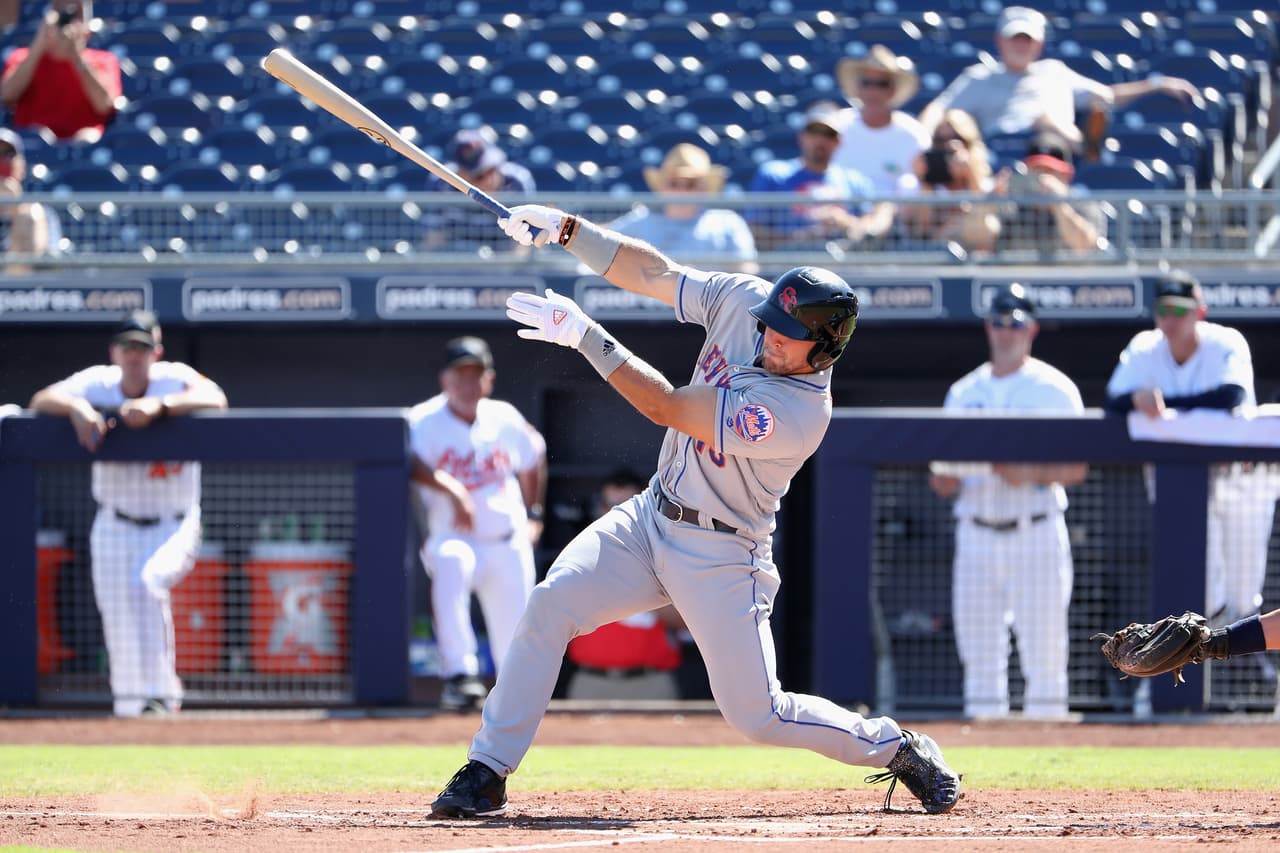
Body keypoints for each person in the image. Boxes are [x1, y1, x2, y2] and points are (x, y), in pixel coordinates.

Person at [429, 203, 961, 818]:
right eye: (768, 325)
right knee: (549, 605)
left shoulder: (796, 413)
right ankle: (488, 768)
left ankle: (896, 747)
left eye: (787, 338)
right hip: (652, 514)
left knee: (758, 716)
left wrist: (585, 337)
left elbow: (666, 407)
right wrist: (570, 231)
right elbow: (656, 274)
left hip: (722, 551)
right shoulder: (753, 304)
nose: (767, 336)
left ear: (823, 351)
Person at [28, 310, 227, 717]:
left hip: (173, 522)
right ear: (115, 351)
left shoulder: (174, 377)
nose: (134, 355)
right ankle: (130, 716)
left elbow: (217, 398)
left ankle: (162, 698)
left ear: (156, 351)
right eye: (127, 346)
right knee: (118, 622)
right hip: (114, 522)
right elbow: (40, 399)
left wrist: (162, 406)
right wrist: (76, 408)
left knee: (147, 584)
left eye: (142, 347)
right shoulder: (97, 381)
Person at [928, 284, 1087, 719]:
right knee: (979, 655)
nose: (1006, 331)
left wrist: (1028, 473)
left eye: (1015, 323)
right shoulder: (964, 391)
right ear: (988, 327)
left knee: (1045, 651)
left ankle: (1053, 774)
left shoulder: (1055, 389)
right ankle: (986, 767)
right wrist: (949, 477)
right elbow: (940, 477)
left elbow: (1078, 468)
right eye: (999, 322)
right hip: (976, 530)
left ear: (1031, 328)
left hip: (1034, 528)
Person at [1103, 271, 1271, 631]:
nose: (1172, 319)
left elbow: (1231, 396)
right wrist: (1135, 399)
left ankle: (1245, 669)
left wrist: (1167, 407)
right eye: (1165, 309)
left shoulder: (1226, 341)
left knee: (1243, 594)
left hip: (1240, 476)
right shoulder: (1145, 347)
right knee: (1201, 590)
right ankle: (1196, 669)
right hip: (1182, 478)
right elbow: (1112, 400)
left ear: (1200, 312)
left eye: (1181, 310)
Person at [408, 336, 547, 711]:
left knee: (515, 634)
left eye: (475, 375)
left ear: (489, 379)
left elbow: (535, 457)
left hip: (506, 539)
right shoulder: (424, 419)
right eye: (460, 375)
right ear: (445, 380)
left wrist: (534, 512)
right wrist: (451, 487)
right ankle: (460, 676)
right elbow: (408, 462)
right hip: (454, 537)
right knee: (451, 561)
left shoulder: (504, 417)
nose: (467, 384)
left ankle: (514, 696)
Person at [918, 6, 1199, 149]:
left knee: (1049, 122)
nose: (1021, 45)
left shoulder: (1054, 72)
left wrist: (1157, 84)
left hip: (1053, 153)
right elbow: (940, 108)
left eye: (1027, 39)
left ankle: (1085, 146)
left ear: (1038, 45)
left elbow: (1107, 96)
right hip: (997, 153)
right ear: (999, 41)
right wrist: (919, 139)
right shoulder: (978, 76)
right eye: (1014, 38)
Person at [565, 468, 685, 701]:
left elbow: (689, 620)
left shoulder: (667, 555)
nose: (618, 513)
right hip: (589, 682)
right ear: (600, 507)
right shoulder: (580, 553)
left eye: (627, 505)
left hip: (650, 683)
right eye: (611, 504)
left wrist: (640, 590)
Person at [745, 102, 890, 253]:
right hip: (787, 267)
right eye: (814, 132)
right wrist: (801, 237)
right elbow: (754, 230)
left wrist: (842, 221)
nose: (820, 140)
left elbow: (870, 227)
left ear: (838, 142)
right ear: (802, 137)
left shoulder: (855, 181)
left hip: (843, 268)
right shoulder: (774, 174)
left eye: (828, 134)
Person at [609, 143, 757, 274]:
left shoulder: (728, 222)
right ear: (663, 187)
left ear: (703, 188)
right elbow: (601, 242)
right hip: (647, 303)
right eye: (674, 183)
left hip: (712, 304)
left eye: (690, 184)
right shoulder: (639, 221)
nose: (682, 191)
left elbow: (747, 271)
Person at [1, 1, 122, 142]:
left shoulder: (105, 60)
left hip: (82, 147)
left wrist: (76, 57)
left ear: (87, 29)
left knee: (87, 138)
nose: (67, 22)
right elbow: (7, 95)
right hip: (33, 143)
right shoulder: (22, 56)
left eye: (75, 15)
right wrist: (40, 43)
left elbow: (105, 105)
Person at [832, 44, 930, 202]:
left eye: (882, 84)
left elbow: (919, 184)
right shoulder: (836, 126)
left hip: (897, 221)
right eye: (867, 83)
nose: (873, 91)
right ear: (858, 88)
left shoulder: (914, 134)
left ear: (893, 91)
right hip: (840, 214)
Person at [901, 110, 1001, 253]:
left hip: (974, 252)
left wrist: (969, 174)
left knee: (987, 222)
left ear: (969, 143)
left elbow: (982, 219)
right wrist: (926, 180)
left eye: (956, 138)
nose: (949, 146)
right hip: (935, 251)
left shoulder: (984, 183)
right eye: (941, 140)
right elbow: (922, 230)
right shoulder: (917, 183)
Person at [422, 127, 535, 253]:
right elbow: (433, 238)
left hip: (504, 257)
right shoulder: (441, 182)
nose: (487, 179)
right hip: (458, 257)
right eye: (478, 176)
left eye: (490, 170)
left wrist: (510, 270)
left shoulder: (517, 181)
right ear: (459, 172)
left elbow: (525, 244)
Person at [993, 132, 1105, 255]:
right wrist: (989, 203)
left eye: (1050, 171)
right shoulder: (1012, 206)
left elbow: (1085, 247)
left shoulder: (1083, 205)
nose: (1042, 179)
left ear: (1067, 175)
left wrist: (1059, 205)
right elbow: (978, 242)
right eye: (1037, 171)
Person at [0, 126, 63, 272]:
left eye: (8, 154)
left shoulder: (42, 213)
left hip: (23, 291)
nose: (2, 160)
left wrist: (16, 207)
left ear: (22, 166)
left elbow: (45, 262)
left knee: (29, 216)